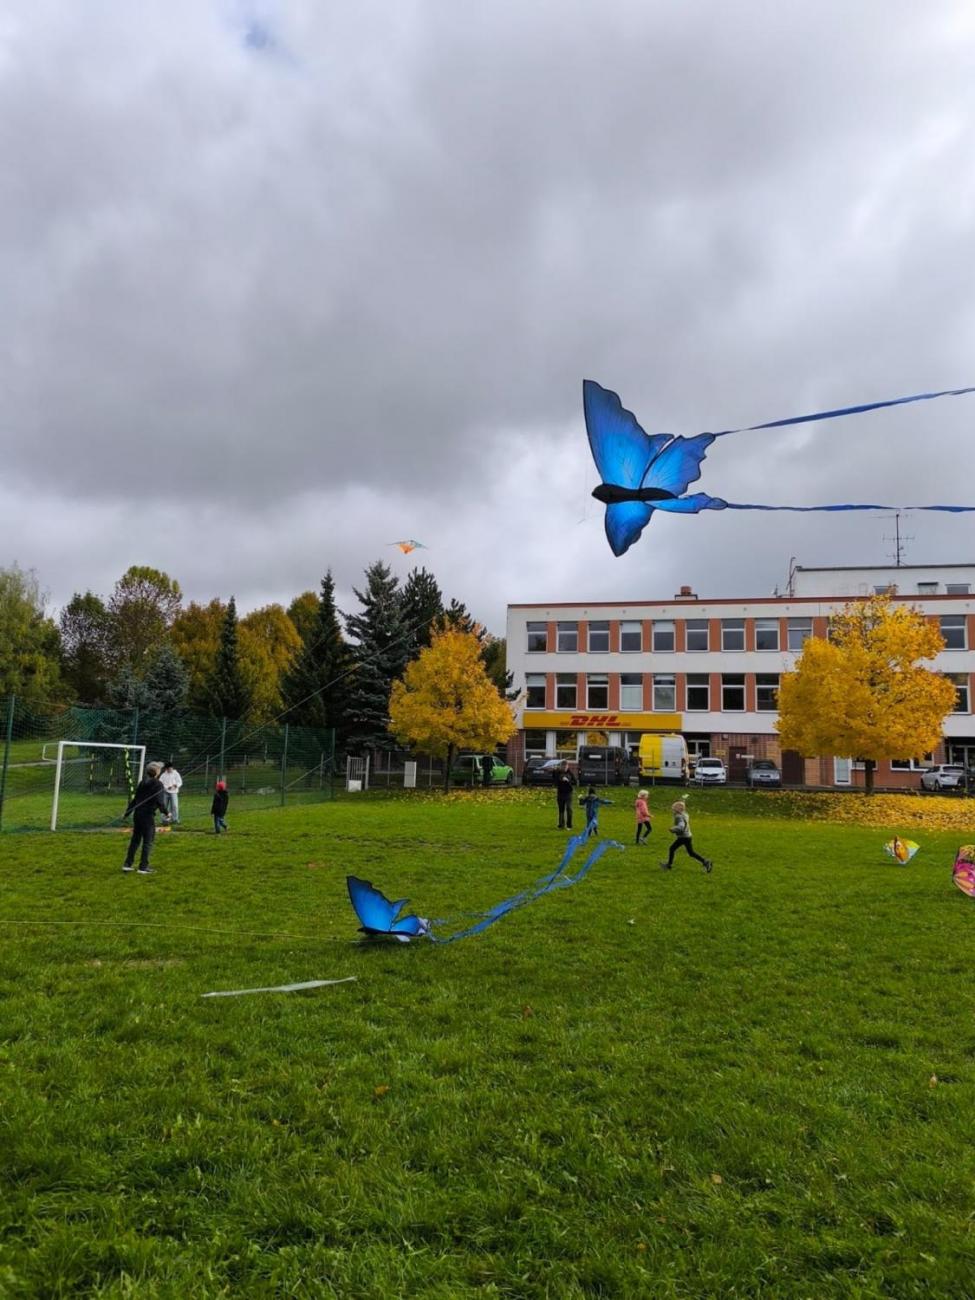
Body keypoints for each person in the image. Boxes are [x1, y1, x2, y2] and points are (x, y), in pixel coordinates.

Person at [122, 761, 168, 874]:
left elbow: (135, 800)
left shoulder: (142, 782)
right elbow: (160, 801)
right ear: (157, 772)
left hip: (137, 815)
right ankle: (143, 867)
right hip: (147, 817)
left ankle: (127, 864)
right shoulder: (158, 784)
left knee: (135, 840)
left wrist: (127, 812)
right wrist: (166, 813)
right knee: (148, 841)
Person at [661, 800, 712, 872]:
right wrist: (681, 804)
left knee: (672, 849)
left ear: (677, 810)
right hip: (688, 836)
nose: (673, 810)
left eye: (674, 809)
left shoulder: (678, 817)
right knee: (691, 853)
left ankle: (669, 865)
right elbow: (682, 812)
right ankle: (705, 862)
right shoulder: (685, 814)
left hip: (683, 837)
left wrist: (673, 829)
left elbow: (681, 826)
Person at [553, 760, 576, 829]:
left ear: (568, 766)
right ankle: (561, 824)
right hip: (560, 793)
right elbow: (555, 781)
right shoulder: (558, 773)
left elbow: (574, 781)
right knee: (561, 809)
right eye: (563, 767)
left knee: (569, 808)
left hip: (568, 793)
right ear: (561, 767)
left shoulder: (570, 773)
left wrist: (568, 780)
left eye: (566, 766)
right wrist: (560, 779)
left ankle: (569, 824)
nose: (564, 768)